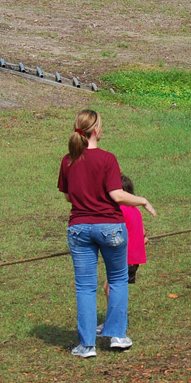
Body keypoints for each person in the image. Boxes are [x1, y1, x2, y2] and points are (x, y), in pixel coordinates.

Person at [58, 109, 157, 358]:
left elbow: (69, 195)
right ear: (97, 131)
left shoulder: (67, 160)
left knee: (85, 287)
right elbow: (116, 195)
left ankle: (87, 345)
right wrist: (142, 200)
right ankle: (117, 336)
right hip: (110, 227)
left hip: (79, 228)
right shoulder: (107, 158)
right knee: (118, 280)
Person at [101, 175, 149, 325]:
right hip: (134, 258)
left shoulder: (119, 210)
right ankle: (115, 320)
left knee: (111, 288)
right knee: (113, 287)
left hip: (125, 258)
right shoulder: (135, 210)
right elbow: (142, 232)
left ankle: (115, 322)